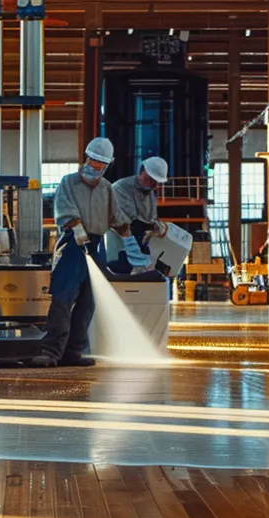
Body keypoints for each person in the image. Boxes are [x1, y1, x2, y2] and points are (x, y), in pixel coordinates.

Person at [32, 137, 121, 368]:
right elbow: (66, 213)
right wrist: (80, 233)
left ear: (107, 165)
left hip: (96, 244)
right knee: (63, 299)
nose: (95, 166)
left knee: (88, 302)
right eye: (92, 160)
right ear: (85, 158)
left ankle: (73, 352)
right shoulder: (68, 182)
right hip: (72, 245)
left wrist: (131, 244)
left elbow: (118, 219)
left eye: (100, 164)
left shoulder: (107, 189)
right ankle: (50, 352)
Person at [109, 157, 169, 275]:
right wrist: (153, 227)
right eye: (150, 179)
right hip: (117, 247)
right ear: (142, 171)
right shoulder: (120, 188)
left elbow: (150, 220)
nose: (153, 185)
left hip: (136, 245)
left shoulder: (151, 195)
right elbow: (131, 224)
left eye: (156, 182)